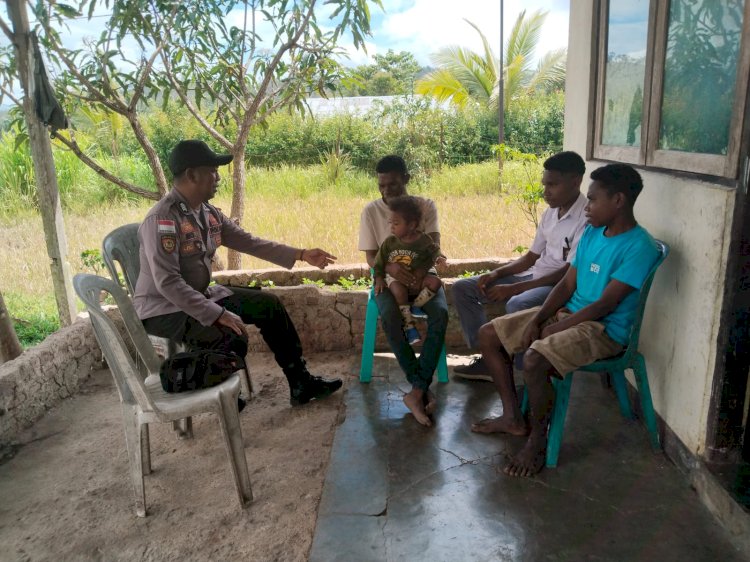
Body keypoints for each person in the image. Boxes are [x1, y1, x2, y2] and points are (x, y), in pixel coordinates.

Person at [474, 163, 660, 477]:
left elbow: (605, 304)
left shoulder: (639, 247)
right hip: (570, 313)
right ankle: (512, 418)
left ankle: (538, 440)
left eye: (593, 199)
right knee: (489, 335)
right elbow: (566, 284)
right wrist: (541, 318)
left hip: (603, 329)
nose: (586, 207)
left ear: (618, 201)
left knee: (534, 359)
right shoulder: (592, 233)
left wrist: (555, 328)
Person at [133, 139, 343, 406]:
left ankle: (300, 382)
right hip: (164, 309)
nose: (218, 177)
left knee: (269, 306)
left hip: (200, 296)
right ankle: (194, 381)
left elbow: (249, 242)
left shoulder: (206, 213)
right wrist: (217, 313)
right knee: (232, 335)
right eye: (212, 170)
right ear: (191, 175)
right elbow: (168, 283)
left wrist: (301, 254)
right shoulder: (162, 219)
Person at [452, 151, 588, 381]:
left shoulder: (587, 218)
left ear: (575, 181)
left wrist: (515, 288)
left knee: (519, 302)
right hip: (534, 275)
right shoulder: (550, 213)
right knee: (463, 288)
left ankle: (521, 371)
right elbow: (530, 258)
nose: (546, 192)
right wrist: (497, 273)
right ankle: (489, 358)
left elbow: (567, 274)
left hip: (556, 285)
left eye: (553, 185)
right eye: (545, 184)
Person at [358, 155, 449, 426]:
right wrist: (392, 271)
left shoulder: (424, 207)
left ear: (407, 179)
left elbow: (433, 246)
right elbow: (372, 257)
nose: (387, 192)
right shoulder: (371, 211)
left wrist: (421, 273)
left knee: (441, 314)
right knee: (390, 317)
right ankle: (420, 387)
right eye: (382, 186)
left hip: (423, 277)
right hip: (389, 280)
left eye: (394, 185)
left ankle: (417, 391)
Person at [373, 195, 442, 346]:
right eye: (391, 223)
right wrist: (378, 278)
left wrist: (438, 259)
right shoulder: (389, 243)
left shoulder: (424, 240)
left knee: (435, 283)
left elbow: (434, 252)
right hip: (396, 279)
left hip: (417, 279)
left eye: (396, 223)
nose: (392, 227)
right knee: (399, 291)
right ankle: (409, 327)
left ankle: (416, 306)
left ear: (411, 225)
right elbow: (378, 262)